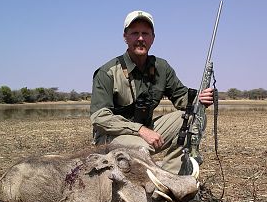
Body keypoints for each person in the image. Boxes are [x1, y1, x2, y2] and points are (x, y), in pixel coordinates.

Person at [90, 10, 214, 175]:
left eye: (145, 33)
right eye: (135, 33)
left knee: (193, 117)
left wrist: (199, 98)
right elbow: (99, 118)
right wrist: (140, 130)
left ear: (152, 38)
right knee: (141, 147)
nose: (140, 38)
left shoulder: (162, 67)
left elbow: (181, 97)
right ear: (125, 37)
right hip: (113, 136)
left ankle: (171, 181)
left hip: (148, 131)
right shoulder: (107, 72)